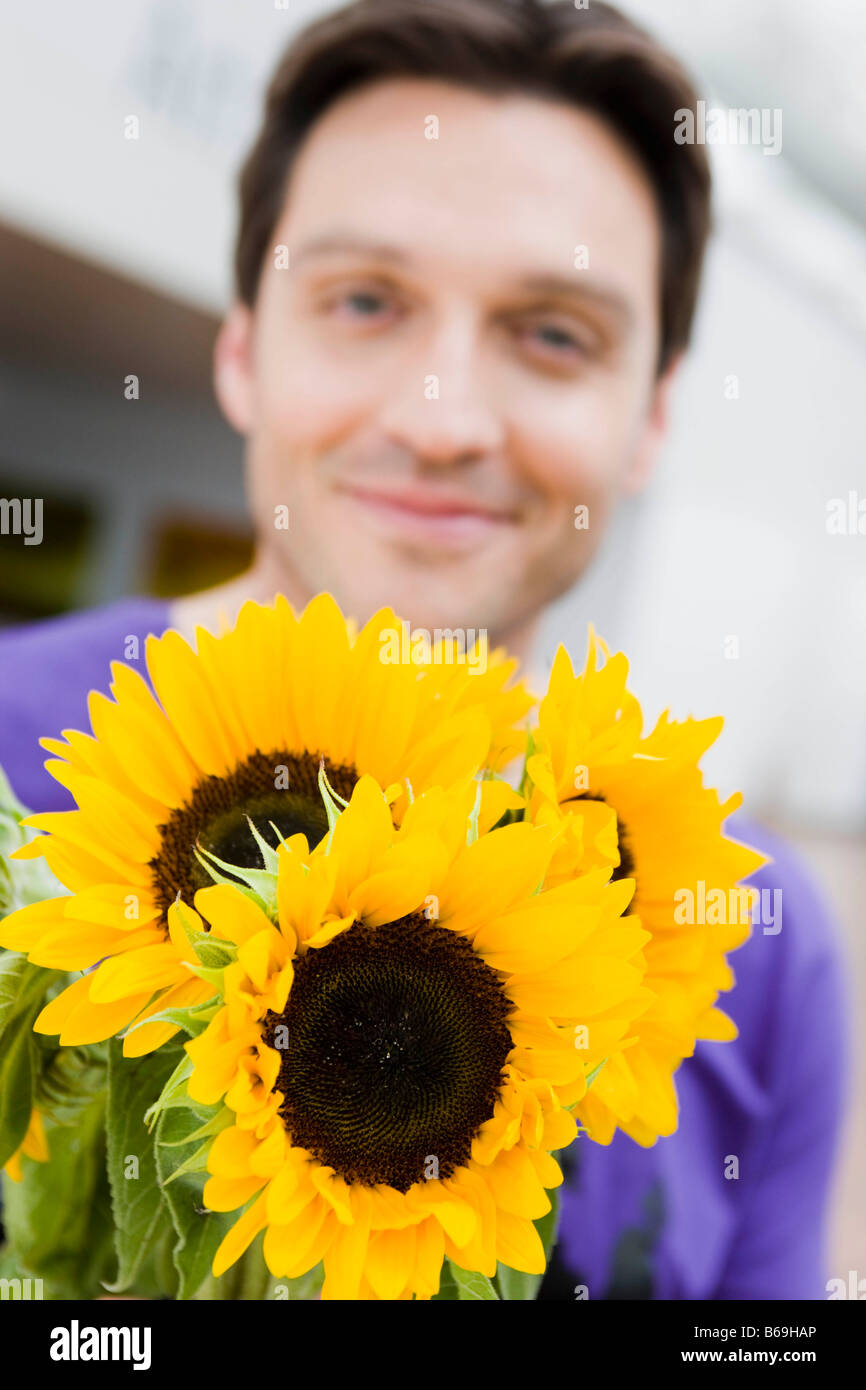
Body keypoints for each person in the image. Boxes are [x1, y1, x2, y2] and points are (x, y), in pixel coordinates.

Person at [0, 0, 849, 1299]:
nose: (444, 417)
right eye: (363, 300)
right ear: (240, 348)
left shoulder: (760, 946)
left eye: (553, 331)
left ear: (650, 416)